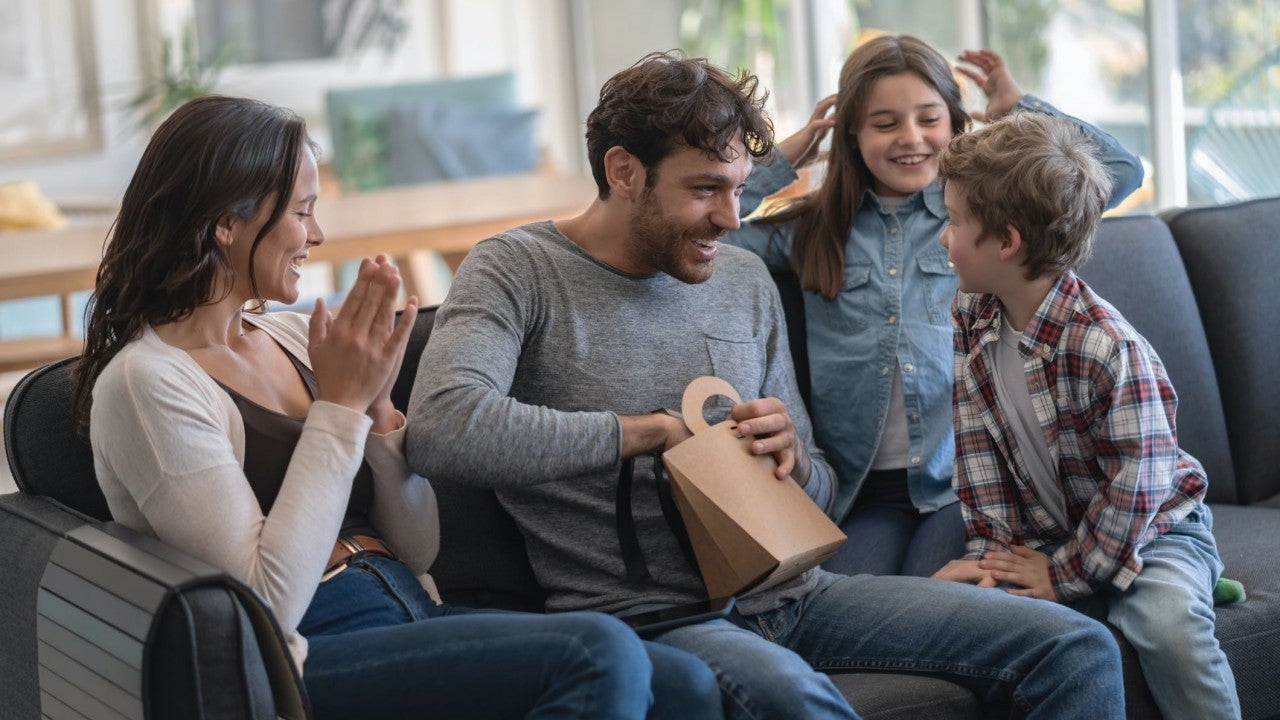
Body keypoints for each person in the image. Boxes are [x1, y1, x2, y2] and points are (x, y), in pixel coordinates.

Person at [407, 51, 1126, 719]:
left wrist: (793, 460)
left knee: (1073, 645)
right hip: (653, 619)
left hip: (803, 594)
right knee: (795, 700)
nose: (731, 217)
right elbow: (444, 429)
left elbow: (819, 488)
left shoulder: (742, 278)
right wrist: (647, 433)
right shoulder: (517, 270)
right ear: (624, 172)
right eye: (705, 189)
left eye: (738, 189)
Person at [72, 95, 722, 720]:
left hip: (405, 607)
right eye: (301, 212)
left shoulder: (294, 338)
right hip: (299, 657)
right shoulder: (146, 383)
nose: (317, 235)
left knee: (686, 685)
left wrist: (378, 412)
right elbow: (263, 600)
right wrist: (340, 408)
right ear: (225, 223)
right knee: (598, 652)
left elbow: (418, 549)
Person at [726, 36, 1144, 577]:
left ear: (954, 121)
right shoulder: (815, 229)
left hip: (964, 486)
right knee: (848, 603)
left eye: (929, 119)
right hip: (864, 494)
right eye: (885, 124)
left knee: (938, 595)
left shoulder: (978, 220)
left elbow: (1121, 171)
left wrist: (1017, 107)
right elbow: (714, 232)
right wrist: (782, 159)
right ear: (851, 134)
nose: (911, 138)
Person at [933, 111, 1239, 720]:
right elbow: (977, 449)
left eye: (954, 221)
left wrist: (1063, 576)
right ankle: (1124, 590)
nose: (944, 237)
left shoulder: (1107, 349)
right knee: (977, 615)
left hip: (1152, 530)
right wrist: (992, 558)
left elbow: (1138, 486)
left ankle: (1183, 580)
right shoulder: (971, 313)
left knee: (1167, 628)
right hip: (1056, 532)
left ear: (1006, 242)